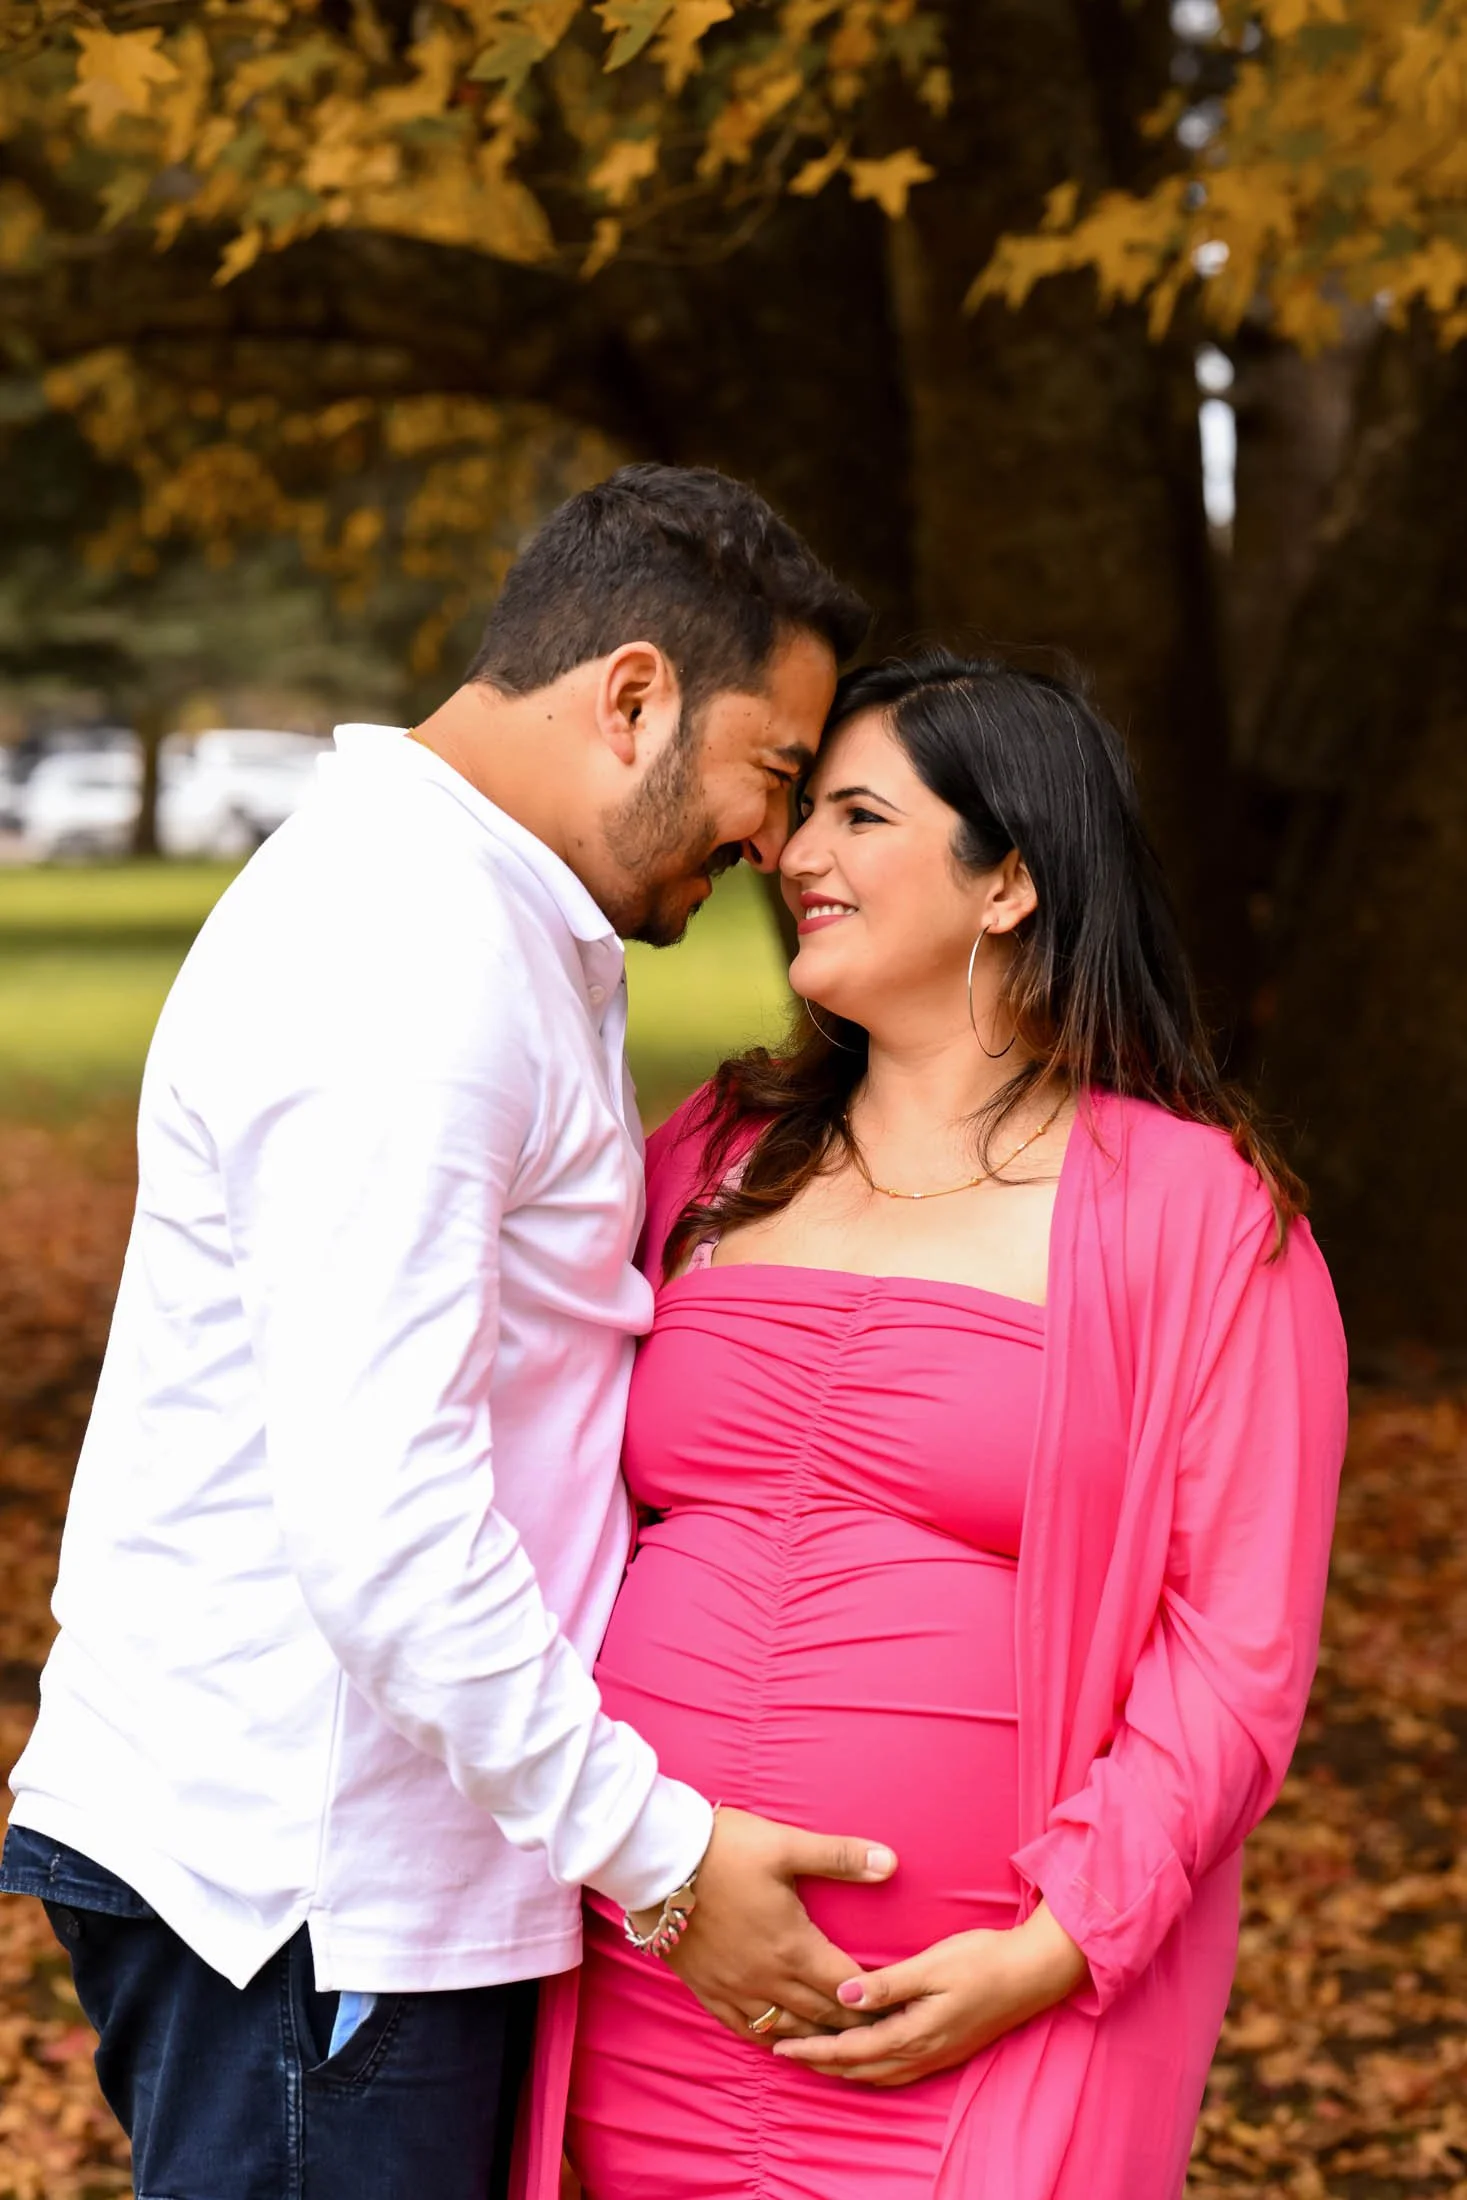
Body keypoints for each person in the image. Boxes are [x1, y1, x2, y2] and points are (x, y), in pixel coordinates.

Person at [0, 464, 893, 2200]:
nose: (779, 849)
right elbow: (383, 1521)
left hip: (364, 1877)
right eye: (772, 776)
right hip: (318, 1899)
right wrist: (663, 1861)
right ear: (631, 696)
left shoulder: (487, 911)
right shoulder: (411, 956)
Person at [546, 649, 1349, 2200]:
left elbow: (1236, 1649)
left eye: (856, 815)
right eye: (799, 815)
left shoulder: (1196, 1217)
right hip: (648, 1966)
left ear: (1008, 886)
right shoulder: (707, 1157)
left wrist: (1053, 1950)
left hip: (978, 2015)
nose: (790, 856)